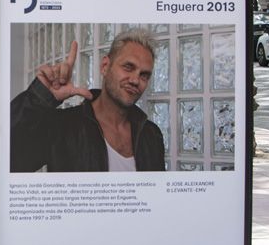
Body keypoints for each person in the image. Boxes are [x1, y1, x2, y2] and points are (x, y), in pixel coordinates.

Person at [10, 28, 165, 172]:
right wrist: (40, 96)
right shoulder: (63, 126)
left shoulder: (151, 135)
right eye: (128, 67)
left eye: (144, 75)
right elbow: (9, 159)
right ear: (105, 66)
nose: (135, 80)